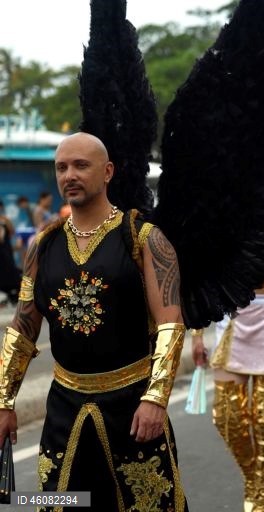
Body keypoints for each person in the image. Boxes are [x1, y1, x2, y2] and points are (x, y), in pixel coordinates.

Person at [0, 133, 188, 510]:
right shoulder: (43, 245)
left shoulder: (144, 238)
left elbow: (171, 322)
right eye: (62, 167)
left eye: (80, 165)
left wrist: (156, 398)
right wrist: (4, 399)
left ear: (107, 172)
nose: (69, 174)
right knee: (61, 503)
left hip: (133, 406)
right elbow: (22, 328)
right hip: (63, 409)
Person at [192, 214, 264, 512]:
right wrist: (196, 333)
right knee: (227, 418)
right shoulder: (223, 211)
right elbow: (204, 274)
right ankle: (255, 480)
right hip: (232, 318)